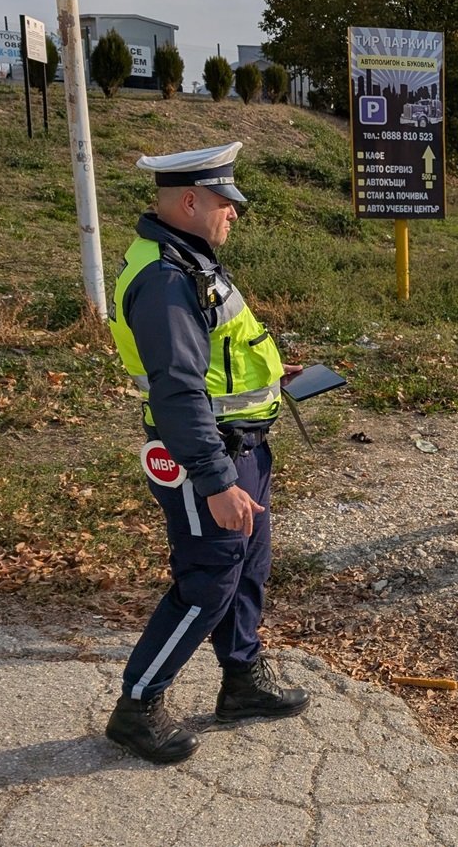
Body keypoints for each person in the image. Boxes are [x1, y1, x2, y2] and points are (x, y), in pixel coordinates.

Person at [105, 142, 309, 764]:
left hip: (240, 448)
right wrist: (217, 481)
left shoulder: (189, 259)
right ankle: (138, 706)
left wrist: (273, 378)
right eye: (226, 202)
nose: (235, 214)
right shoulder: (166, 278)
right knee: (208, 579)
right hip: (205, 458)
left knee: (246, 567)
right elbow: (177, 390)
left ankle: (241, 680)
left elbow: (214, 358)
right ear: (191, 201)